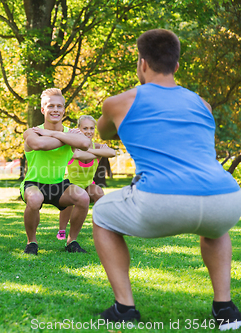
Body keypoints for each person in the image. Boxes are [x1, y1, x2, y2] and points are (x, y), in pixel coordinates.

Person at [93, 29, 241, 329]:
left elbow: (105, 132)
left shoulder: (119, 102)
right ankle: (225, 309)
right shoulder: (202, 104)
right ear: (176, 66)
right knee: (216, 228)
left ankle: (125, 308)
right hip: (226, 198)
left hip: (161, 200)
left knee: (101, 214)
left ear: (142, 63)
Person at [20, 88, 92, 255]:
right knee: (35, 199)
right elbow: (41, 145)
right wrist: (68, 139)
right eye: (50, 106)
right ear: (43, 109)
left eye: (59, 106)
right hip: (34, 184)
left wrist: (51, 133)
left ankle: (71, 241)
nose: (55, 110)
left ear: (64, 110)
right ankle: (32, 242)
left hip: (59, 185)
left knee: (83, 197)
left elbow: (85, 144)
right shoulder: (32, 132)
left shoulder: (67, 132)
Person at [56, 115, 115, 250]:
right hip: (70, 184)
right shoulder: (72, 146)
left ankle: (103, 227)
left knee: (99, 192)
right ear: (79, 129)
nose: (89, 131)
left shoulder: (96, 145)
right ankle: (62, 229)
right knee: (72, 197)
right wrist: (99, 152)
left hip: (88, 184)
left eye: (91, 128)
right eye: (85, 128)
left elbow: (112, 152)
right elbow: (77, 155)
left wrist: (95, 151)